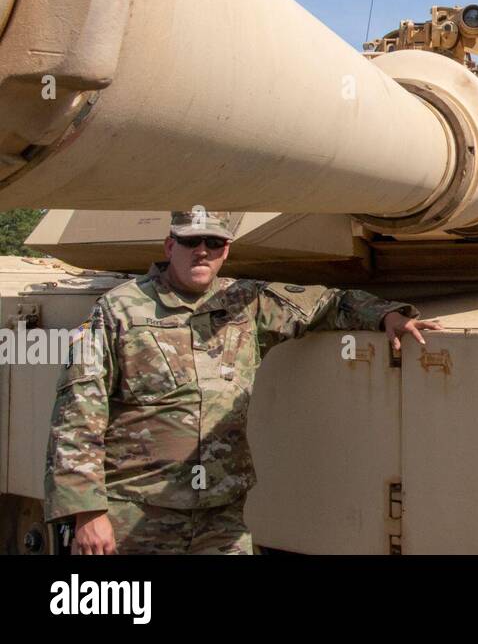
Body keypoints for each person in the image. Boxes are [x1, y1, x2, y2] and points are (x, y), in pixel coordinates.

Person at [44, 209, 440, 555]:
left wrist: (387, 315)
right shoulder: (120, 310)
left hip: (221, 515)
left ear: (226, 250)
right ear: (169, 246)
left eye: (213, 242)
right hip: (137, 513)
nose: (202, 250)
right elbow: (78, 413)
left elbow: (327, 303)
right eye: (191, 241)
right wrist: (87, 511)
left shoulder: (245, 302)